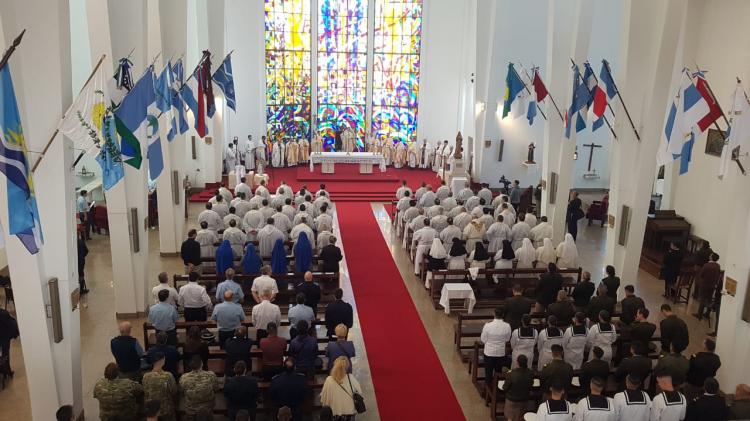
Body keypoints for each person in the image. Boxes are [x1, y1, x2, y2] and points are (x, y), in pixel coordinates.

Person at [142, 352, 178, 421]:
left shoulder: (145, 376)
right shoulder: (168, 375)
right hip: (166, 409)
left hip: (152, 410)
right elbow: (174, 391)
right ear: (163, 360)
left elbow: (145, 392)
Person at [481, 307, 512, 385]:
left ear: (494, 314)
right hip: (500, 353)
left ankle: (487, 390)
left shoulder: (487, 325)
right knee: (498, 372)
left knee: (488, 373)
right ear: (503, 315)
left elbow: (483, 339)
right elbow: (507, 339)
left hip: (489, 353)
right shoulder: (507, 326)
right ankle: (497, 389)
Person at [502, 354, 534, 421]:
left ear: (517, 362)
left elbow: (505, 387)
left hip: (512, 399)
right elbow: (531, 384)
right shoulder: (530, 373)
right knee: (520, 416)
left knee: (510, 417)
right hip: (524, 398)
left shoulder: (511, 374)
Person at [694, 253, 721, 320]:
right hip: (712, 285)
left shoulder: (706, 265)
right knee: (709, 299)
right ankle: (707, 314)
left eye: (710, 255)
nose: (709, 256)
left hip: (704, 284)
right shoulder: (718, 266)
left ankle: (699, 314)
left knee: (702, 299)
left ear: (711, 257)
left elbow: (702, 274)